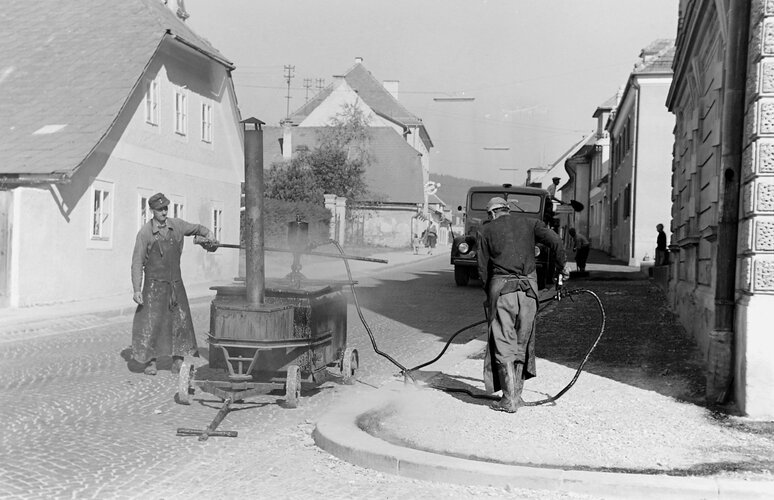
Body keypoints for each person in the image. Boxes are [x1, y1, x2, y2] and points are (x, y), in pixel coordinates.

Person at [477, 197, 567, 413]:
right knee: (522, 342)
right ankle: (517, 396)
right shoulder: (531, 223)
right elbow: (555, 241)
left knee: (503, 342)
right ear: (507, 210)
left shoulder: (486, 230)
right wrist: (562, 267)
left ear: (491, 214)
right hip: (529, 292)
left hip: (502, 291)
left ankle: (508, 399)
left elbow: (482, 269)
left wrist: (488, 294)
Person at [130, 192, 218, 376]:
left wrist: (208, 233)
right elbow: (137, 262)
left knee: (180, 322)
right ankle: (150, 362)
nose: (163, 212)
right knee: (151, 323)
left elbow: (196, 229)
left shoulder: (177, 225)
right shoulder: (145, 233)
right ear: (152, 211)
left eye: (165, 208)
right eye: (159, 209)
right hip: (153, 286)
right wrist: (137, 288)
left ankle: (178, 361)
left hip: (175, 284)